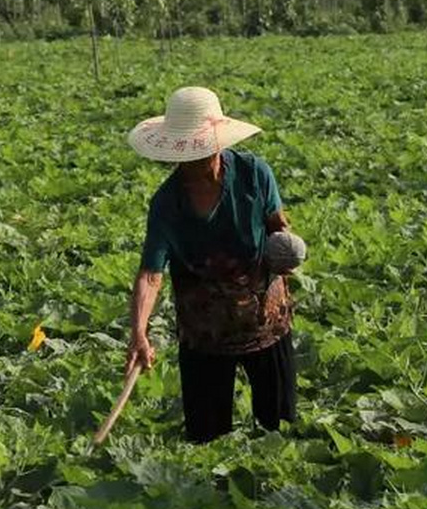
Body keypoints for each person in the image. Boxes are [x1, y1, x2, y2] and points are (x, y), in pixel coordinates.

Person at [125, 86, 301, 444]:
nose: (189, 162)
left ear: (217, 145)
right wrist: (139, 334)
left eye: (199, 152)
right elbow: (151, 274)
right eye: (183, 153)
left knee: (279, 430)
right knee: (207, 438)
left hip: (263, 319)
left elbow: (276, 226)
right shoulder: (167, 203)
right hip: (204, 330)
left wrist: (285, 248)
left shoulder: (254, 175)